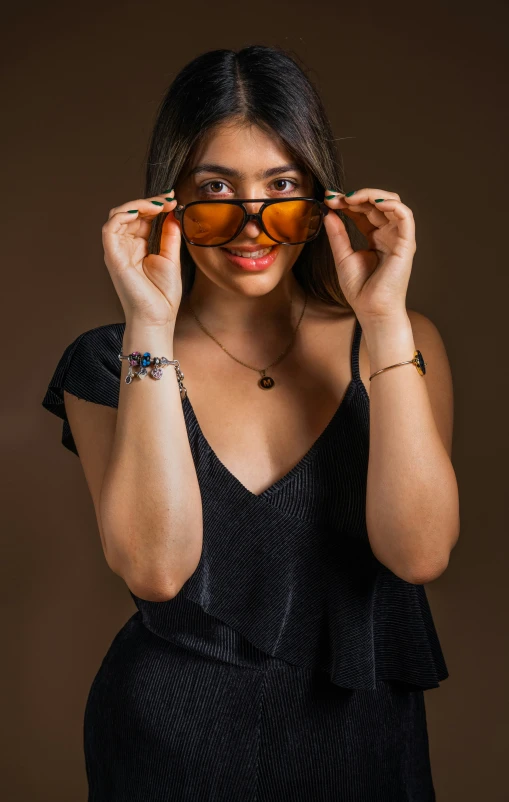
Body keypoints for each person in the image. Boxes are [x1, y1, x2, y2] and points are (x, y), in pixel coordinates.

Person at [41, 44, 460, 801]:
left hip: (361, 735)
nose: (252, 223)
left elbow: (419, 551)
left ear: (321, 197)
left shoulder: (402, 340)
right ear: (167, 200)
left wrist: (387, 323)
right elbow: (154, 569)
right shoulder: (109, 360)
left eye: (282, 186)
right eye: (214, 189)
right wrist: (147, 327)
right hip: (168, 738)